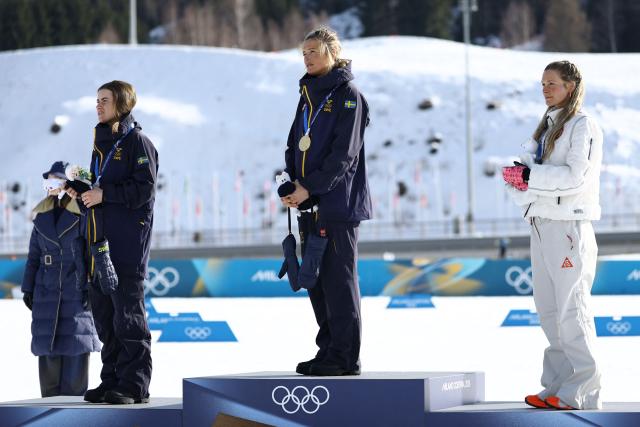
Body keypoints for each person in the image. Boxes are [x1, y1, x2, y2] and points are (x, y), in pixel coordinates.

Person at [503, 60, 603, 410]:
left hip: (568, 227)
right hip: (540, 226)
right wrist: (522, 181)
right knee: (548, 311)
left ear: (571, 87)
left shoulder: (583, 125)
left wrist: (531, 180)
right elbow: (520, 182)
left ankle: (582, 389)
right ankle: (558, 387)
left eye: (552, 83)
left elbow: (577, 177)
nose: (545, 89)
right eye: (542, 83)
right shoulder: (543, 128)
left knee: (571, 310)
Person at [281, 26, 371, 376]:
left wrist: (310, 188)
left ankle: (345, 357)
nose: (307, 57)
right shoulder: (307, 96)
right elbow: (294, 145)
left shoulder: (348, 95)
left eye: (314, 51)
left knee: (339, 281)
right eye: (303, 52)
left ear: (333, 53)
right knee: (316, 281)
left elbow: (343, 157)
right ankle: (328, 350)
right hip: (309, 204)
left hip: (337, 205)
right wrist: (292, 185)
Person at [68, 80, 158, 404]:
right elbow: (98, 195)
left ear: (122, 103)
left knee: (128, 318)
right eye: (96, 100)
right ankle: (112, 380)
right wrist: (81, 194)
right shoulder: (100, 147)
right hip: (98, 245)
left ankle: (134, 385)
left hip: (126, 248)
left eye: (104, 100)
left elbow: (144, 191)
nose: (98, 106)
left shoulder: (138, 142)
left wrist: (105, 194)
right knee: (106, 320)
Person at [21, 161, 101, 397]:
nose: (50, 186)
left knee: (75, 359)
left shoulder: (85, 212)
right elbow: (34, 256)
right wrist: (28, 289)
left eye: (55, 180)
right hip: (45, 293)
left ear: (68, 184)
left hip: (76, 292)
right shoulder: (42, 214)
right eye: (48, 181)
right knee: (49, 364)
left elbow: (92, 252)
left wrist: (91, 286)